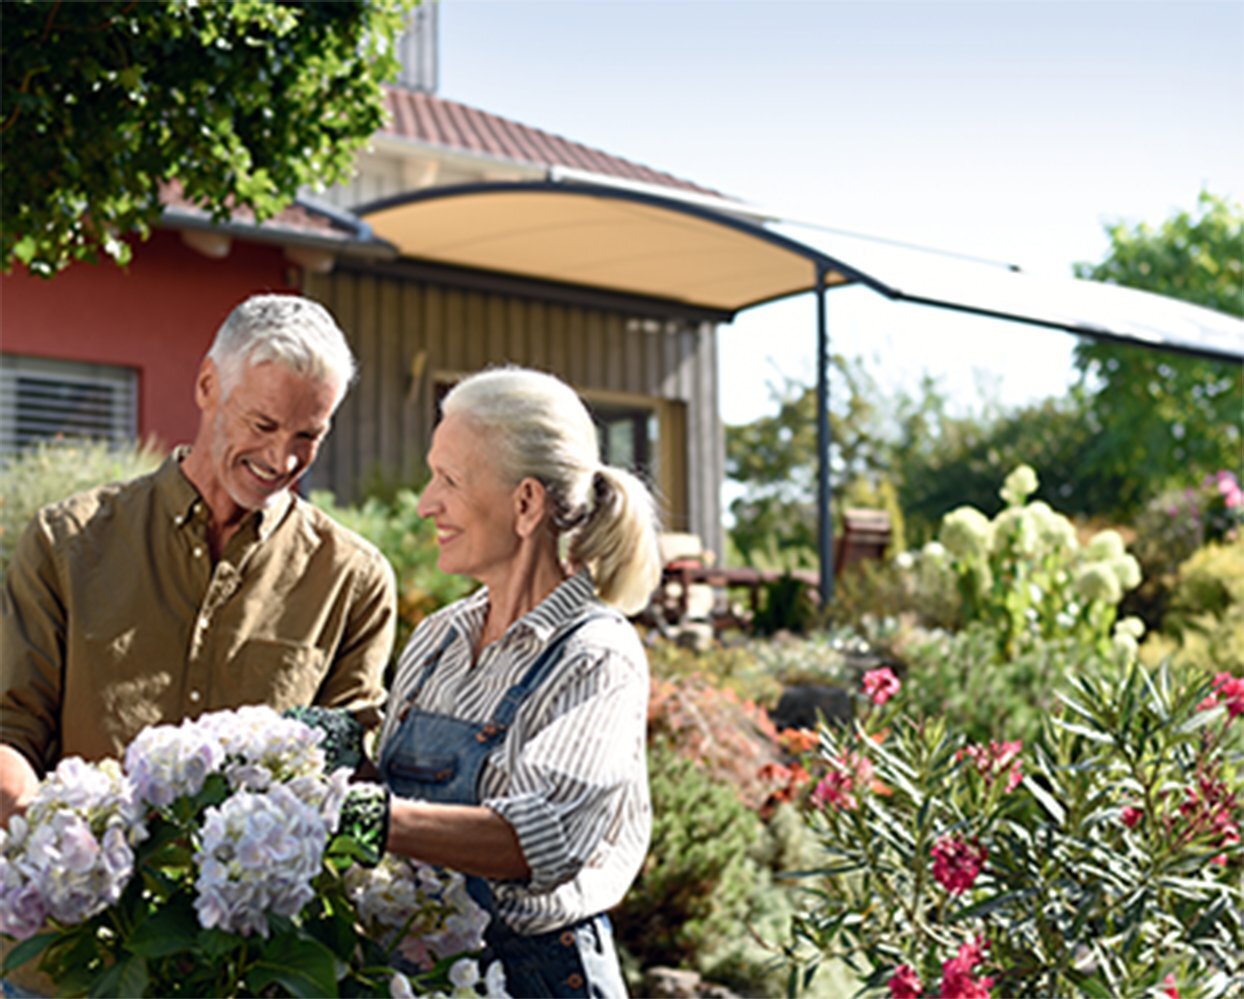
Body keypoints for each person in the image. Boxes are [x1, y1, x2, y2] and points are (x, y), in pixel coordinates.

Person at [0, 293, 398, 825]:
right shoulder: (67, 543)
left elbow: (344, 772)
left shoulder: (353, 579)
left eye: (308, 435)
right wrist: (48, 833)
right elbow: (12, 729)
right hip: (82, 875)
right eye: (262, 425)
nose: (282, 459)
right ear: (208, 385)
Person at [360, 366, 661, 998]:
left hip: (536, 978)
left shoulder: (596, 655)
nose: (425, 504)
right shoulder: (439, 638)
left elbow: (539, 839)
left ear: (526, 504)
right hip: (424, 975)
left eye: (449, 480)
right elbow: (396, 799)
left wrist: (368, 819)